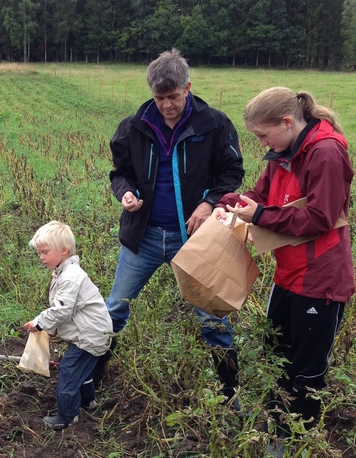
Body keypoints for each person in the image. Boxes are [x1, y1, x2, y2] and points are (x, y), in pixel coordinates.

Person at [95, 49, 245, 411]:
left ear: (187, 87)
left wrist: (209, 203)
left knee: (212, 318)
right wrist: (125, 193)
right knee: (113, 310)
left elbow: (231, 173)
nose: (166, 106)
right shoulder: (134, 126)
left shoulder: (214, 124)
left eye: (173, 97)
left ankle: (231, 398)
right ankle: (87, 387)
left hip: (195, 240)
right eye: (160, 98)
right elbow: (120, 172)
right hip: (143, 238)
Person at [214, 87, 354, 443]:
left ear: (288, 122)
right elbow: (260, 196)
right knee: (276, 354)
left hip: (320, 279)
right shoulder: (283, 153)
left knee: (306, 370)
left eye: (263, 135)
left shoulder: (325, 153)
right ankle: (278, 426)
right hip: (288, 274)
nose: (262, 142)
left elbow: (322, 218)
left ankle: (296, 440)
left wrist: (260, 216)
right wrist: (229, 203)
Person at [23, 221, 113, 430]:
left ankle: (66, 416)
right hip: (95, 334)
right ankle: (88, 402)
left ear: (64, 250)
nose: (41, 257)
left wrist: (38, 323)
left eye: (45, 252)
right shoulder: (66, 271)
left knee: (69, 371)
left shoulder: (70, 277)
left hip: (90, 337)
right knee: (82, 370)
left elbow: (62, 310)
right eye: (39, 252)